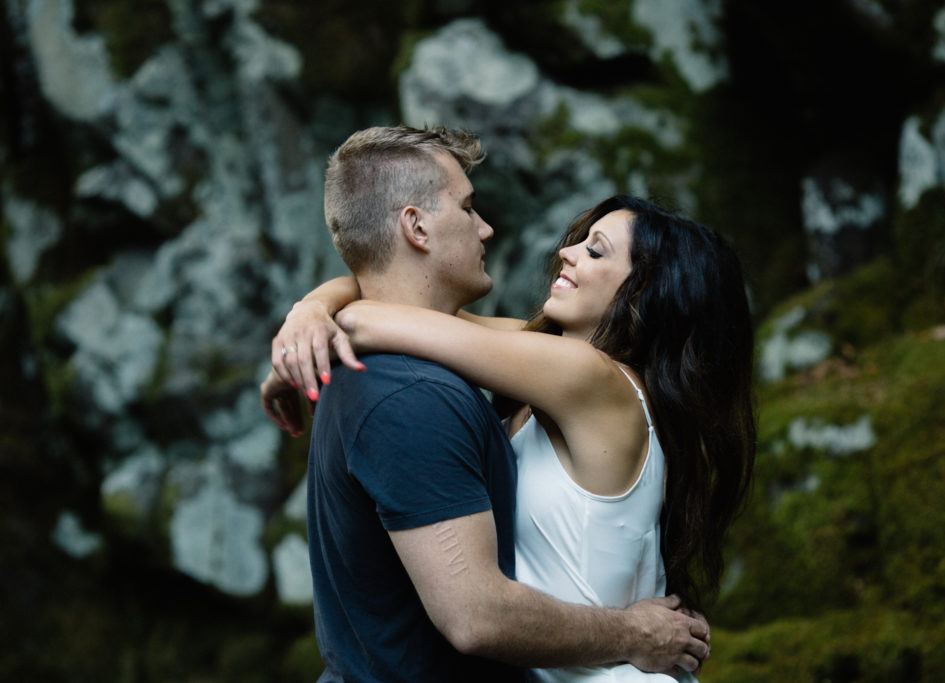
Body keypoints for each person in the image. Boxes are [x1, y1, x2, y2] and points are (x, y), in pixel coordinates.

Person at [261, 125, 713, 683]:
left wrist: (307, 325)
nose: (565, 253)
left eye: (594, 250)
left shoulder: (589, 378)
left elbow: (372, 314)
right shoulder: (539, 360)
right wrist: (310, 314)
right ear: (416, 227)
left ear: (641, 295)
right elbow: (395, 310)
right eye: (469, 207)